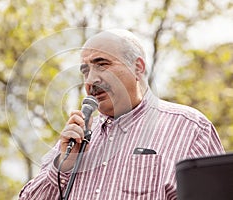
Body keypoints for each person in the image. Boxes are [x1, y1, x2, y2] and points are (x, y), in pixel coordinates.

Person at [18, 29, 225, 200]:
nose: (91, 79)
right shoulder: (75, 139)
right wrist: (64, 165)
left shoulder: (190, 128)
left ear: (137, 67)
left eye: (102, 64)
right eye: (85, 71)